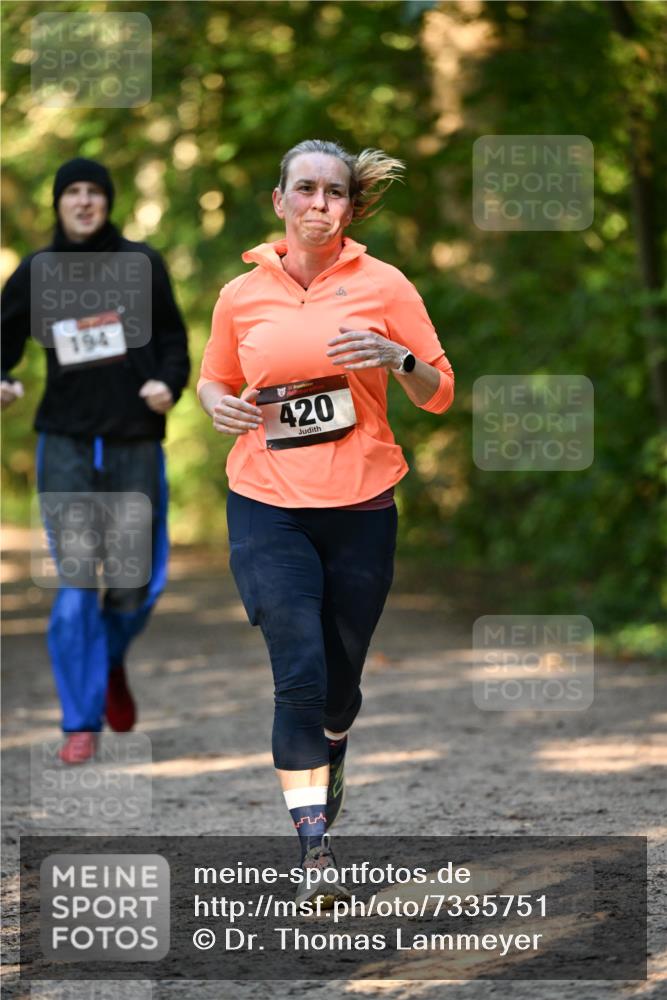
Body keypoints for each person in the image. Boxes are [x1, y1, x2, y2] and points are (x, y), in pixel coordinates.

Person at [198, 139, 454, 905]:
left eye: (334, 193)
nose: (319, 204)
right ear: (278, 201)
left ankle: (334, 743)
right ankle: (315, 853)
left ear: (350, 205)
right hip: (266, 502)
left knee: (338, 687)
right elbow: (215, 381)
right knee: (299, 677)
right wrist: (219, 405)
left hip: (362, 506)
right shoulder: (239, 295)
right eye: (304, 190)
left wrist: (395, 357)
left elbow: (439, 389)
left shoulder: (385, 284)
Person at [1, 157, 190, 763]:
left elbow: (173, 343)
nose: (83, 202)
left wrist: (169, 384)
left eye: (94, 192)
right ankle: (79, 719)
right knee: (77, 583)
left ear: (108, 202)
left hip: (135, 438)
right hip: (68, 443)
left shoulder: (142, 264)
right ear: (58, 203)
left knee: (137, 585)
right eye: (72, 192)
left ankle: (107, 662)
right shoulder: (39, 270)